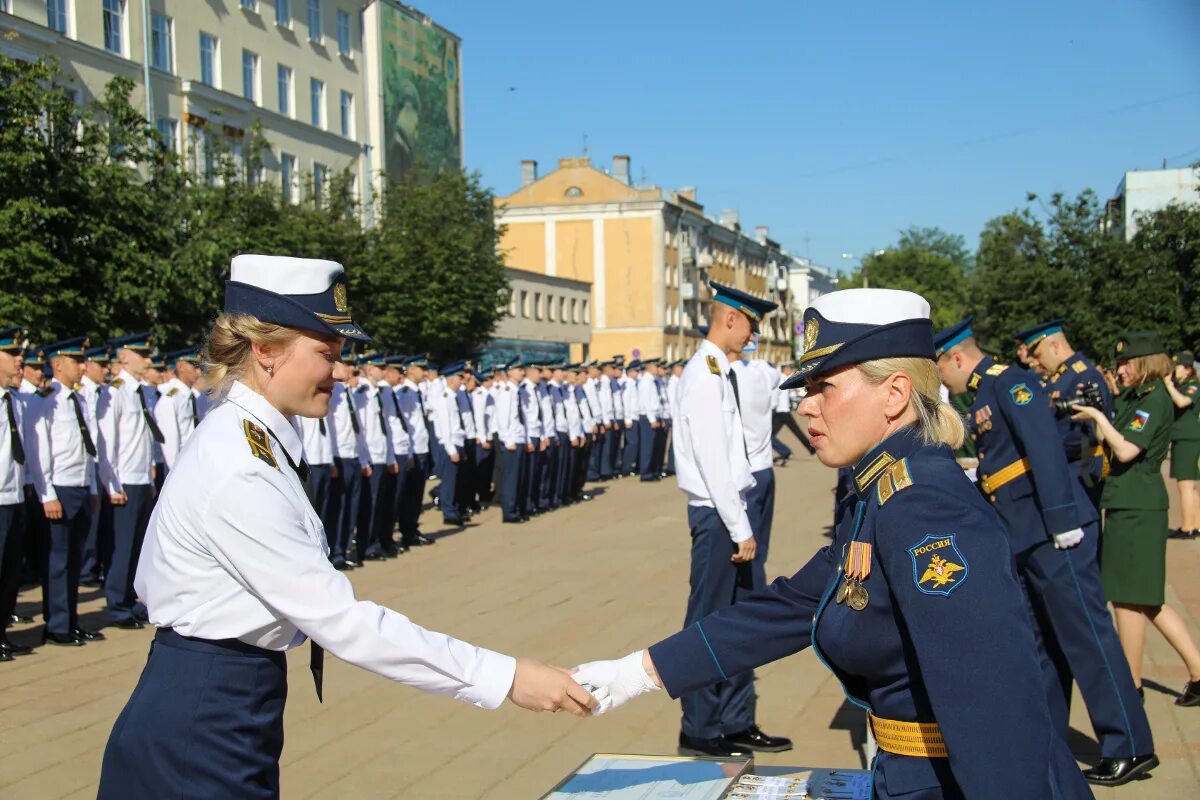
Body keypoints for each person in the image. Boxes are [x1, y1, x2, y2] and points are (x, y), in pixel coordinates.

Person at [96, 255, 596, 799]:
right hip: (203, 715)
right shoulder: (240, 463)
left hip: (227, 696)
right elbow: (341, 619)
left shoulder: (255, 440)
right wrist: (505, 678)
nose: (339, 371)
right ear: (264, 350)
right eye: (326, 354)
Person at [574, 288, 1094, 800]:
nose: (806, 408)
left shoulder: (927, 507)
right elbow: (793, 605)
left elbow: (993, 709)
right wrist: (636, 673)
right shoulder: (885, 490)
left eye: (824, 387)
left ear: (893, 394)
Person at [935, 318, 1155, 786]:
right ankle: (1048, 741)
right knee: (1046, 648)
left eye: (940, 369)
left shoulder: (1009, 384)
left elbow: (1044, 448)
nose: (942, 381)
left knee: (1088, 640)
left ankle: (1129, 746)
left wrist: (1062, 520)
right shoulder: (985, 393)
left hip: (1055, 533)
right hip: (1026, 534)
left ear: (955, 357)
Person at [629, 280, 791, 758]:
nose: (752, 337)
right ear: (731, 318)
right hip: (720, 516)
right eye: (751, 327)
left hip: (733, 510)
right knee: (708, 622)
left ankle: (737, 719)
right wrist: (741, 527)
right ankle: (699, 727)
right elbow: (713, 460)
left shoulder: (719, 370)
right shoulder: (702, 374)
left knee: (745, 619)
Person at [1072, 331, 1200, 709]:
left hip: (1139, 506)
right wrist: (1098, 411)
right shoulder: (1134, 397)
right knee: (1143, 599)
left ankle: (1131, 684)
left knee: (1131, 599)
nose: (1119, 369)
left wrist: (1097, 414)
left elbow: (1126, 449)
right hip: (1129, 503)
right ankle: (1191, 671)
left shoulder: (1154, 400)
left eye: (1126, 363)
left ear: (1144, 363)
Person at [27, 337, 107, 647]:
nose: (83, 366)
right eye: (77, 361)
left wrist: (91, 485)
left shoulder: (81, 398)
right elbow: (38, 451)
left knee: (75, 558)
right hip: (59, 486)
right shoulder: (45, 399)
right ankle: (57, 625)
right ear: (58, 363)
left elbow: (87, 448)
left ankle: (71, 620)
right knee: (57, 560)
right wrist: (47, 493)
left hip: (80, 486)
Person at [99, 332, 162, 629]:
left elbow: (146, 437)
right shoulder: (115, 392)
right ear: (125, 357)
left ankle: (129, 598)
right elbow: (108, 444)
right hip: (124, 480)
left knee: (137, 545)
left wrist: (149, 472)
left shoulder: (143, 391)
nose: (148, 360)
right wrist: (112, 484)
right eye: (143, 355)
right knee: (122, 546)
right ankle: (116, 605)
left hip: (140, 477)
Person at [1015, 321, 1111, 510]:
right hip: (1066, 468)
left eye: (1038, 355)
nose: (1035, 362)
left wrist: (1044, 449)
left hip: (1082, 469)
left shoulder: (1085, 377)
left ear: (1055, 347)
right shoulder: (1060, 378)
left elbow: (1088, 433)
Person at [0, 328, 32, 660]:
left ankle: (2, 632)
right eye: (11, 354)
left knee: (10, 574)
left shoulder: (15, 401)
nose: (19, 359)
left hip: (14, 496)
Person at [1165, 350, 1199, 539]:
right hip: (1185, 436)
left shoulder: (1192, 386)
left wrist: (1169, 385)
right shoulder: (1185, 384)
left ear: (1187, 369)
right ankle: (1195, 524)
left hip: (1186, 437)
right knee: (1190, 485)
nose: (1173, 370)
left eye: (1176, 366)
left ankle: (1188, 528)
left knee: (1185, 485)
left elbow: (1182, 402)